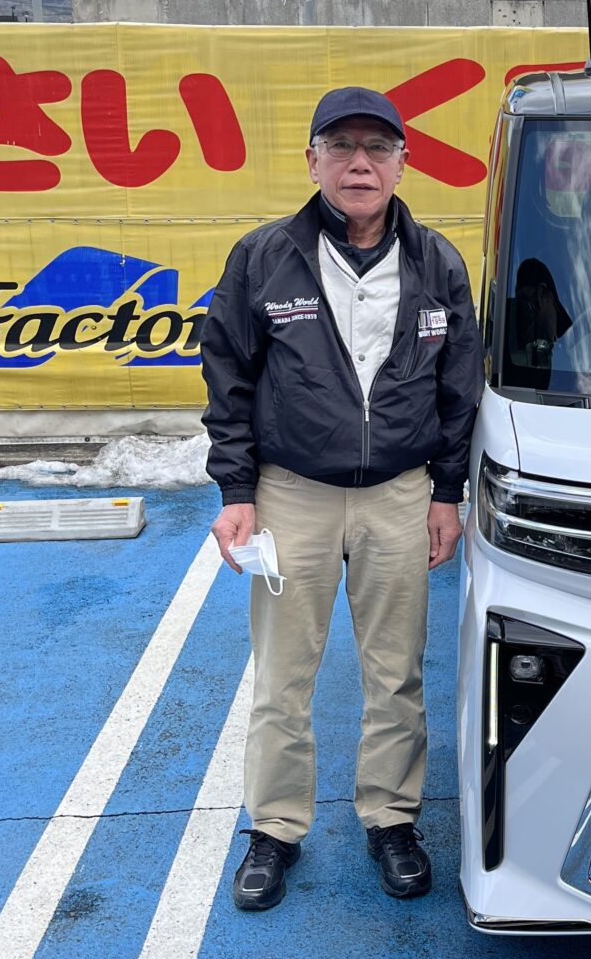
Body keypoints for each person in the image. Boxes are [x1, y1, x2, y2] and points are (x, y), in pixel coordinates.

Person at [200, 85, 483, 912]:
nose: (361, 164)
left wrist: (447, 492)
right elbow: (228, 376)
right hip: (293, 497)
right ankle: (275, 828)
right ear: (313, 158)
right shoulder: (263, 256)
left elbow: (459, 388)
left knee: (396, 675)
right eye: (342, 147)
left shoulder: (437, 261)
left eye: (378, 149)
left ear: (403, 162)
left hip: (400, 495)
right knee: (284, 675)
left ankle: (391, 819)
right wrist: (238, 491)